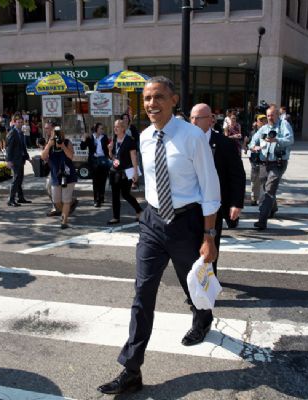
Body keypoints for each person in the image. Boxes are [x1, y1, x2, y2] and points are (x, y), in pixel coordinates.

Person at [98, 77, 220, 395]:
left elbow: (210, 189)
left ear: (174, 100)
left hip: (187, 222)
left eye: (158, 97)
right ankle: (132, 368)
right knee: (142, 293)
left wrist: (209, 236)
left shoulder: (193, 137)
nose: (151, 104)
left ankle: (203, 316)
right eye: (147, 98)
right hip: (153, 222)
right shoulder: (145, 137)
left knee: (191, 282)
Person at [190, 103, 245, 275]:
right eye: (191, 118)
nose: (193, 122)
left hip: (214, 204)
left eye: (197, 118)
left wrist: (236, 203)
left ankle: (208, 280)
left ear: (210, 120)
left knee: (211, 242)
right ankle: (193, 282)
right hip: (189, 203)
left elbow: (237, 175)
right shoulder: (186, 141)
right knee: (190, 245)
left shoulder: (225, 144)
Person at [248, 105, 294, 230]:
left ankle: (262, 220)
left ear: (277, 115)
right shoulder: (263, 128)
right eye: (268, 115)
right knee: (266, 188)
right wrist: (254, 147)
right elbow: (252, 141)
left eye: (272, 115)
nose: (270, 118)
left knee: (268, 190)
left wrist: (276, 140)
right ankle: (273, 208)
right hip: (264, 163)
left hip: (278, 163)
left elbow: (290, 139)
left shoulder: (283, 125)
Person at [107, 119, 143, 224]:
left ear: (123, 128)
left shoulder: (129, 140)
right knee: (114, 195)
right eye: (114, 126)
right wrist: (109, 150)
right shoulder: (113, 139)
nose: (115, 128)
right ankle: (116, 217)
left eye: (117, 126)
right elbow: (112, 157)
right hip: (114, 171)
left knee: (126, 194)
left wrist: (136, 172)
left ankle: (139, 210)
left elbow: (133, 157)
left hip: (126, 172)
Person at [41, 126, 77, 229]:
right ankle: (70, 205)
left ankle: (64, 221)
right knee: (56, 201)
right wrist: (49, 145)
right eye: (55, 133)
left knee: (65, 200)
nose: (57, 135)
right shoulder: (50, 143)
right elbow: (43, 157)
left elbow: (71, 156)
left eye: (59, 133)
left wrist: (63, 147)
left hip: (67, 175)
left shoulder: (67, 142)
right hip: (55, 176)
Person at [80, 122, 110, 208]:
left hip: (103, 160)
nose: (102, 130)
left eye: (103, 128)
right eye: (101, 128)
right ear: (96, 129)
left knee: (103, 180)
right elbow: (82, 147)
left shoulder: (104, 137)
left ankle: (101, 196)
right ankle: (96, 200)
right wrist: (84, 138)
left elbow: (107, 149)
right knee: (95, 181)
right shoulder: (90, 138)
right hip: (94, 161)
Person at [6, 116, 31, 207]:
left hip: (20, 159)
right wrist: (9, 160)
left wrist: (26, 157)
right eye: (18, 122)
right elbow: (9, 148)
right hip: (14, 160)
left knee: (20, 179)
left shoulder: (20, 132)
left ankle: (20, 197)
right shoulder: (12, 133)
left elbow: (23, 147)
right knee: (16, 179)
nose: (20, 124)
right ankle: (11, 199)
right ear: (14, 122)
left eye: (21, 122)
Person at [248, 114, 268, 206]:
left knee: (263, 179)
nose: (263, 122)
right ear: (256, 122)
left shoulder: (268, 131)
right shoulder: (253, 133)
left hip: (264, 159)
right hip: (255, 158)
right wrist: (253, 147)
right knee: (254, 179)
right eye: (261, 120)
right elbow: (249, 144)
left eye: (264, 120)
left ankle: (261, 199)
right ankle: (254, 197)